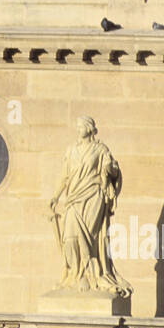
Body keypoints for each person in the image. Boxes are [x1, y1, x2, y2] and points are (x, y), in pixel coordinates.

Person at [49, 117, 132, 297]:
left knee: (89, 238)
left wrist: (110, 168)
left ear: (89, 128)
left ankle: (88, 275)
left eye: (81, 126)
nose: (78, 129)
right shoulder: (71, 150)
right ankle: (74, 274)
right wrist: (55, 196)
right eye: (77, 126)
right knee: (69, 238)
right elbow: (65, 175)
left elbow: (113, 172)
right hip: (73, 197)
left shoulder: (100, 149)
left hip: (94, 196)